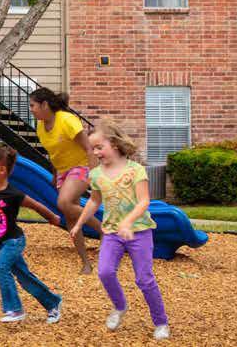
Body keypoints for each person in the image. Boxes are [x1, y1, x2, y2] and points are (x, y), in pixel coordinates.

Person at [71, 120, 169, 341]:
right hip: (112, 233)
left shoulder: (136, 170)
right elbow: (94, 202)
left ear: (114, 144)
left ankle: (161, 321)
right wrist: (79, 223)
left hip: (140, 232)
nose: (95, 152)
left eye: (99, 147)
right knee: (105, 271)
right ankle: (119, 306)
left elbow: (144, 202)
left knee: (144, 280)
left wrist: (128, 222)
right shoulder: (96, 175)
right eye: (93, 148)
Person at [0, 140, 63, 323]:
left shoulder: (14, 194)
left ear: (2, 171)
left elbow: (36, 205)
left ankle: (15, 309)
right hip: (1, 243)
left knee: (1, 269)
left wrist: (52, 218)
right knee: (24, 277)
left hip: (14, 241)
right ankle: (53, 302)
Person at [29, 87, 101, 274]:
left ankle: (106, 232)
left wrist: (95, 177)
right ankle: (86, 263)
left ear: (45, 105)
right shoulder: (40, 126)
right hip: (63, 171)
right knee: (70, 216)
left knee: (63, 203)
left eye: (33, 105)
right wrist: (55, 174)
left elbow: (88, 149)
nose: (31, 109)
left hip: (82, 166)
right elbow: (54, 153)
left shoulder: (67, 120)